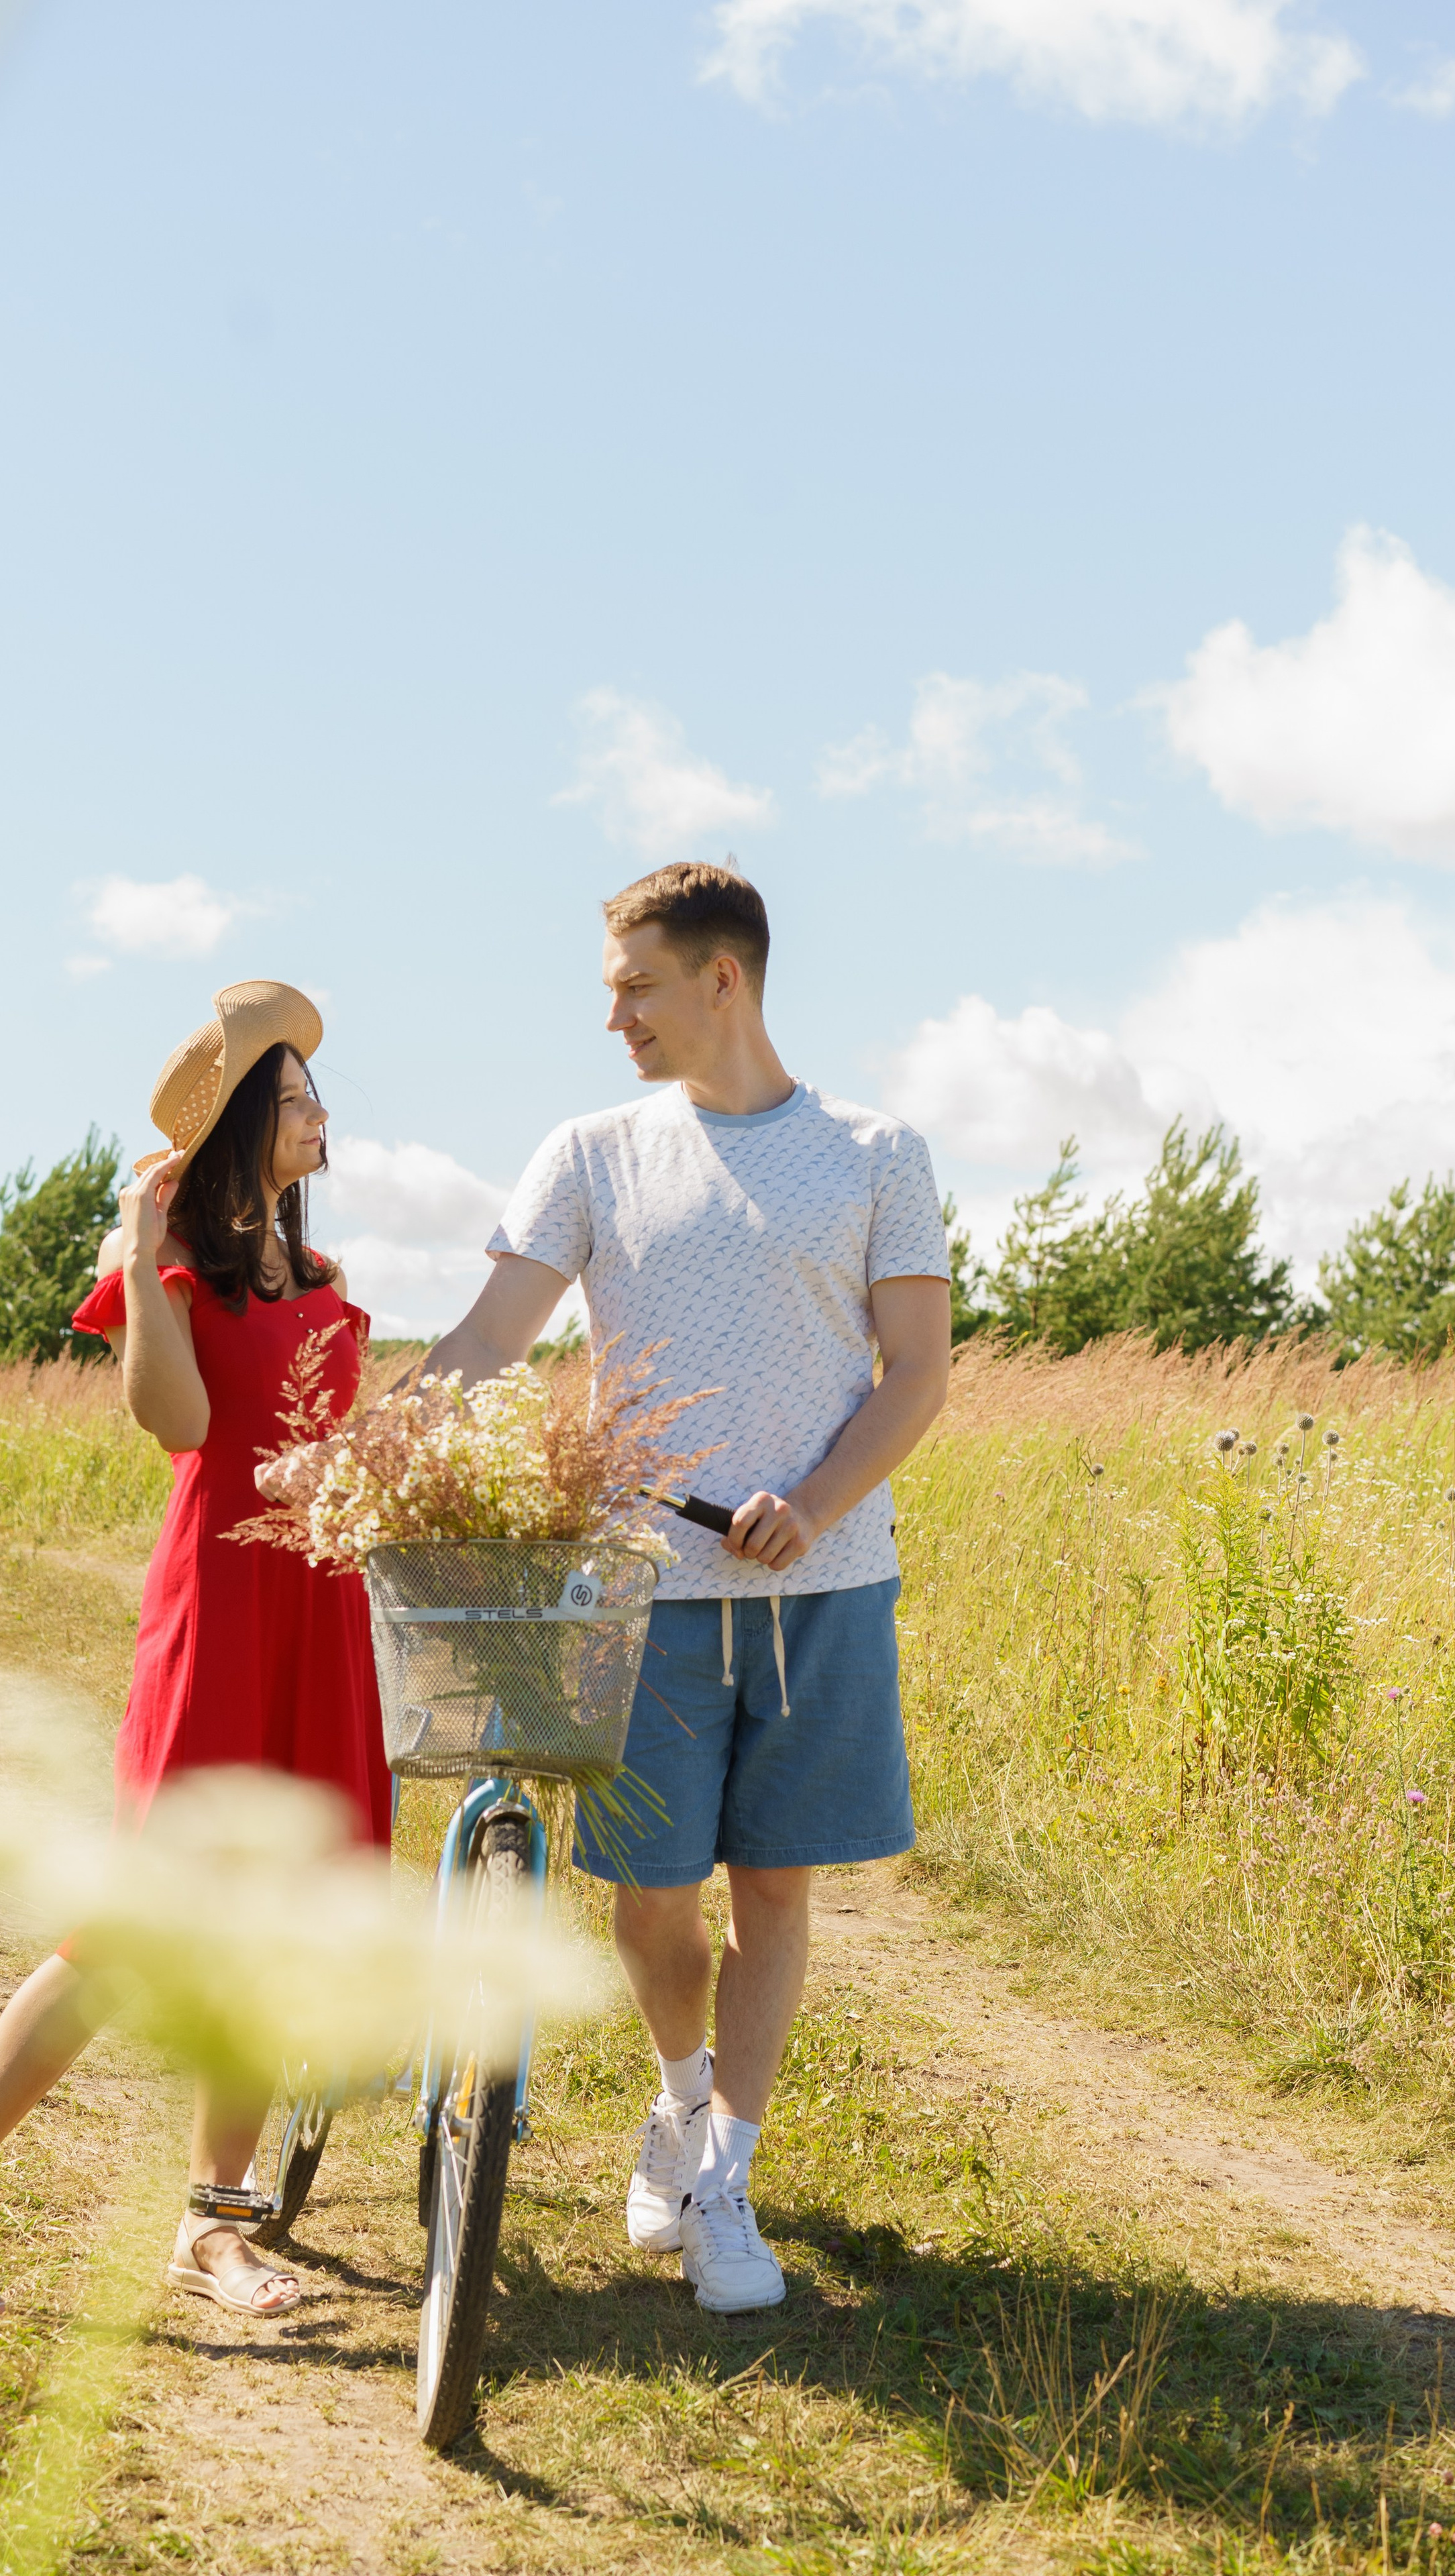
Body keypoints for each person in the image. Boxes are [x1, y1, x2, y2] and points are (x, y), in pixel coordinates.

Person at [424, 864, 951, 2313]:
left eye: (634, 986)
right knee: (654, 1894)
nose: (614, 1018)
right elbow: (488, 1334)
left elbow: (917, 1375)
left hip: (821, 1588)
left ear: (722, 979)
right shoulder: (589, 1152)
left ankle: (722, 2176)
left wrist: (818, 1500)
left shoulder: (873, 1152)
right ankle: (676, 2095)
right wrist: (375, 1444)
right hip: (639, 1593)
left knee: (772, 1884)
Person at [0, 979, 391, 2320]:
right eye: (292, 1104)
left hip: (321, 1610)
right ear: (234, 1129)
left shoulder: (331, 1287)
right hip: (219, 1611)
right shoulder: (174, 1268)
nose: (322, 1119)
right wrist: (140, 1232)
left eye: (316, 1099)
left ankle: (213, 2230)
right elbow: (177, 1427)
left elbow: (336, 1455)